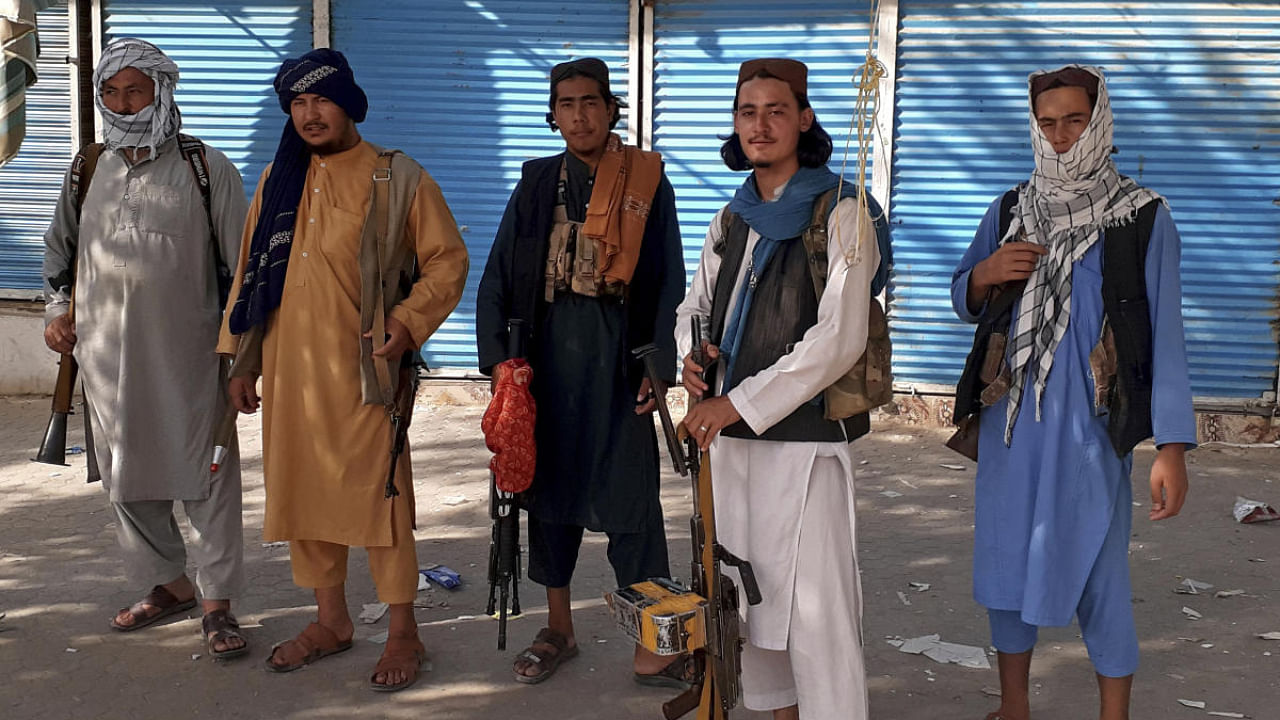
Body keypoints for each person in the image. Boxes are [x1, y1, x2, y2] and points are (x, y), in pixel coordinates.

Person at [216, 48, 468, 692]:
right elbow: (250, 280)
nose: (309, 114)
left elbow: (447, 261)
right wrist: (240, 361)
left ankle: (404, 630)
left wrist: (408, 321)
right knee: (303, 497)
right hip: (290, 376)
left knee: (380, 501)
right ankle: (331, 622)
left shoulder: (396, 176)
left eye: (320, 99)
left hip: (366, 376)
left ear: (348, 102)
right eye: (297, 103)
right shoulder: (276, 182)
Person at [950, 64, 1195, 720]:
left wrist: (1172, 447)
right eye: (1047, 123)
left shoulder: (1141, 219)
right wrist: (983, 274)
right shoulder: (1009, 209)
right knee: (1006, 569)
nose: (1060, 137)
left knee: (1099, 571)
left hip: (1092, 432)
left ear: (1099, 122)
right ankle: (1013, 707)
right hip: (1010, 428)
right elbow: (964, 298)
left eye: (1074, 120)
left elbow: (1165, 336)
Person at [677, 58, 891, 720]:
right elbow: (695, 305)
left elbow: (839, 338)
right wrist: (690, 358)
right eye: (748, 112)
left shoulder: (843, 211)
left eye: (776, 111)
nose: (760, 124)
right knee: (750, 602)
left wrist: (736, 402)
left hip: (803, 448)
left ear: (804, 119)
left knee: (818, 613)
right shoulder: (733, 215)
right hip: (731, 449)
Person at [474, 58, 687, 686]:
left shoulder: (647, 182)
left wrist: (659, 361)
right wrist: (501, 365)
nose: (579, 115)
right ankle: (557, 628)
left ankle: (658, 644)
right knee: (549, 498)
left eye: (590, 102)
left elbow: (669, 279)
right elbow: (498, 277)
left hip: (620, 359)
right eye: (566, 104)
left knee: (632, 501)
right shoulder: (537, 184)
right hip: (548, 364)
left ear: (612, 109)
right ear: (553, 115)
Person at [41, 38, 249, 659]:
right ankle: (170, 584)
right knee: (126, 479)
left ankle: (218, 606)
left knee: (206, 476)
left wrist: (244, 354)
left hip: (191, 357)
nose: (123, 102)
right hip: (105, 362)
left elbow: (242, 270)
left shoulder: (205, 167)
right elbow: (60, 257)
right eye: (111, 90)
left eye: (136, 89)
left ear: (162, 90)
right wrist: (57, 313)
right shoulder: (87, 168)